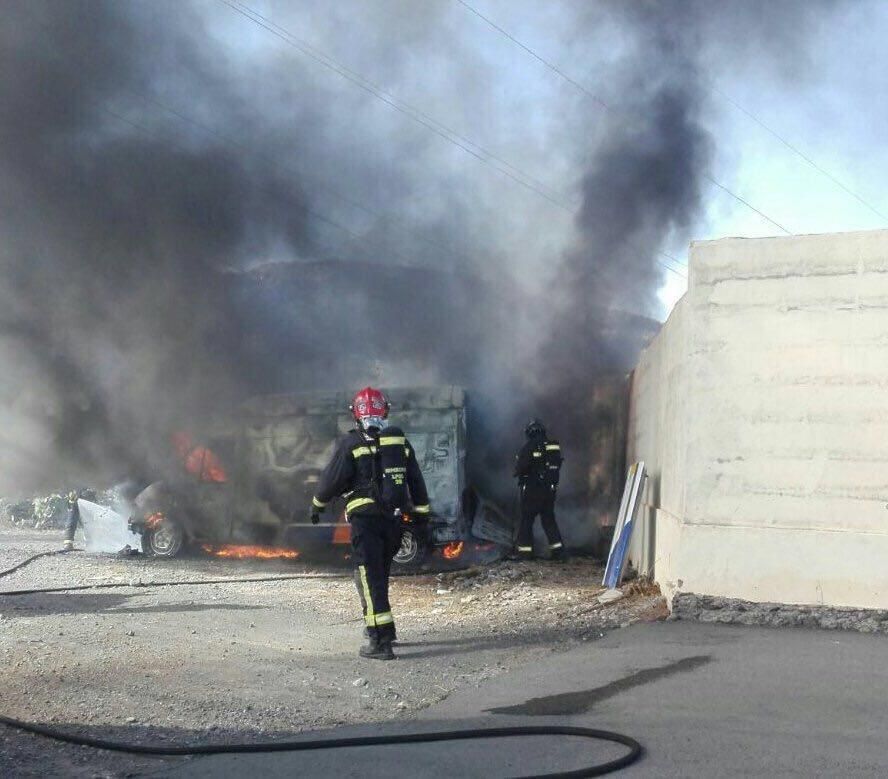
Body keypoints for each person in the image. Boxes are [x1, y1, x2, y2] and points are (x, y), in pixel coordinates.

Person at [310, 387, 431, 660]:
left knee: (368, 577)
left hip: (366, 521)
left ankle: (379, 642)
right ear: (385, 411)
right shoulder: (399, 445)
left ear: (356, 414)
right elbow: (417, 482)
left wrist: (317, 505)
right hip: (394, 521)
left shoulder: (351, 444)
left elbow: (331, 480)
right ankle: (386, 629)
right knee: (380, 576)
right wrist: (422, 517)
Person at [513, 418, 565, 560]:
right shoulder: (553, 446)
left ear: (529, 433)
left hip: (532, 491)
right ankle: (559, 553)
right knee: (548, 520)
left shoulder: (528, 447)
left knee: (527, 521)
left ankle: (525, 553)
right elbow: (556, 466)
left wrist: (518, 472)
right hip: (549, 491)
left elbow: (520, 467)